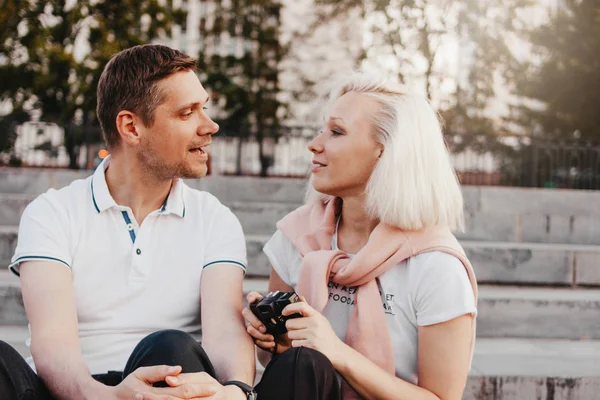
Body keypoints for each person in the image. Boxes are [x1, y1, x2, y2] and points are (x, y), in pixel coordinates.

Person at [0, 45, 256, 400]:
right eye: (187, 113)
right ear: (131, 127)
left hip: (166, 383)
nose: (209, 126)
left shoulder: (215, 220)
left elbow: (226, 331)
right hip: (76, 392)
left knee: (172, 348)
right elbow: (52, 344)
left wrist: (238, 392)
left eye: (204, 109)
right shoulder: (52, 212)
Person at [242, 72, 478, 400]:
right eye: (322, 129)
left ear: (384, 151)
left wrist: (337, 353)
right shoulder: (295, 237)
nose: (315, 144)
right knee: (301, 363)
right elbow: (285, 371)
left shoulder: (436, 266)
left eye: (336, 132)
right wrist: (276, 343)